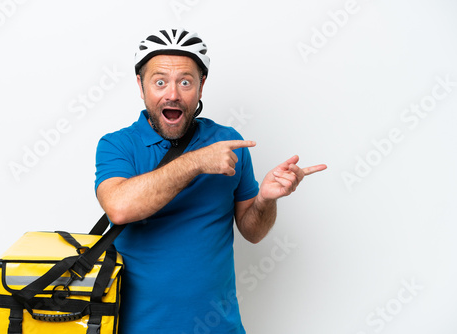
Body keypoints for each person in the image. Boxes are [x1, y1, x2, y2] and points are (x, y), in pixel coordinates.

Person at [94, 28, 327, 334]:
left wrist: (266, 199)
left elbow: (253, 231)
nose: (173, 94)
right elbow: (119, 208)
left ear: (201, 86)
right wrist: (197, 161)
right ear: (141, 86)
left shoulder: (229, 142)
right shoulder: (117, 145)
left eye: (186, 82)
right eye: (160, 81)